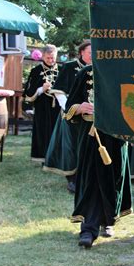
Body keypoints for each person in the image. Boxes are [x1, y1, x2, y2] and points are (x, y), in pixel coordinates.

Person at [64, 65, 132, 248]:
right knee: (90, 178)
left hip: (116, 134)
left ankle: (108, 220)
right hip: (90, 136)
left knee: (113, 177)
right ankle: (88, 228)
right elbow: (68, 107)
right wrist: (79, 108)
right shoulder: (85, 73)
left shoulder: (127, 70)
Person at [43, 41, 92, 193]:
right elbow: (59, 92)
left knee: (87, 147)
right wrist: (70, 109)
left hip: (90, 116)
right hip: (71, 114)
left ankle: (86, 178)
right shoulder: (69, 67)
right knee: (70, 147)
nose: (93, 55)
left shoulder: (99, 68)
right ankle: (72, 179)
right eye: (90, 52)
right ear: (82, 52)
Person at [24, 45, 60, 162]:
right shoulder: (36, 71)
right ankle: (43, 157)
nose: (51, 60)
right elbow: (28, 92)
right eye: (48, 58)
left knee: (57, 131)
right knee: (42, 131)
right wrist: (41, 89)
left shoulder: (62, 70)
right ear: (43, 56)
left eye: (53, 58)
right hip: (42, 107)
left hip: (58, 107)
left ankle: (56, 158)